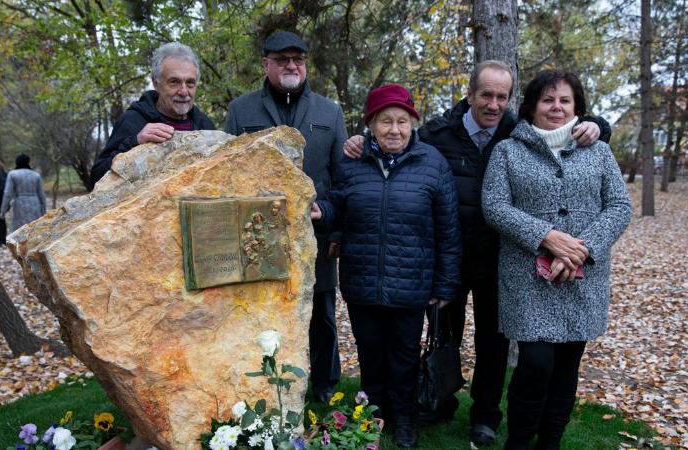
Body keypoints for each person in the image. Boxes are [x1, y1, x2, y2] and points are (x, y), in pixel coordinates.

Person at [343, 60, 610, 446]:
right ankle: (438, 399)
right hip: (447, 257)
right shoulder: (438, 133)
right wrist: (358, 141)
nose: (493, 104)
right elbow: (396, 144)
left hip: (501, 259)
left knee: (493, 344)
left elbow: (563, 125)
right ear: (469, 95)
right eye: (486, 94)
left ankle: (484, 416)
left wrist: (599, 123)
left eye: (502, 96)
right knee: (442, 338)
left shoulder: (518, 132)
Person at [481, 70, 631, 450]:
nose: (557, 107)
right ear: (532, 106)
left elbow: (618, 205)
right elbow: (495, 206)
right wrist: (546, 237)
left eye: (565, 100)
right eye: (548, 100)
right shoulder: (508, 151)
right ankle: (517, 440)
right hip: (527, 278)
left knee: (567, 365)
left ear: (577, 106)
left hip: (582, 277)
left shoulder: (598, 151)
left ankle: (550, 442)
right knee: (535, 362)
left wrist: (580, 249)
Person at [311, 84, 462, 448]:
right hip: (363, 281)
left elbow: (449, 228)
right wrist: (322, 212)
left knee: (404, 357)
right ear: (371, 125)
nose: (394, 130)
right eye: (385, 122)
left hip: (411, 285)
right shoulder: (353, 162)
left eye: (402, 121)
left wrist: (445, 285)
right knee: (370, 353)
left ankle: (406, 419)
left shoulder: (432, 163)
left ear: (413, 124)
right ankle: (373, 413)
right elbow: (338, 203)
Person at [224, 31, 347, 404]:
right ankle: (268, 387)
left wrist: (334, 226)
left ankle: (326, 386)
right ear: (267, 65)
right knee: (265, 315)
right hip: (260, 236)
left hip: (316, 235)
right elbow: (227, 173)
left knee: (322, 316)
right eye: (282, 60)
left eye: (298, 59)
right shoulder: (241, 111)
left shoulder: (330, 111)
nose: (292, 66)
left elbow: (342, 177)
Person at [90, 42, 216, 186]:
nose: (183, 91)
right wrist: (134, 142)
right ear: (156, 83)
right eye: (174, 82)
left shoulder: (205, 125)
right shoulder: (133, 121)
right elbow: (96, 178)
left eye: (190, 83)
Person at [0, 154, 47, 232]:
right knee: (35, 229)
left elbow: (7, 194)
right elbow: (41, 195)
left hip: (19, 204)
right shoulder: (36, 175)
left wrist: (3, 211)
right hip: (35, 203)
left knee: (20, 231)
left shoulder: (12, 174)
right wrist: (43, 211)